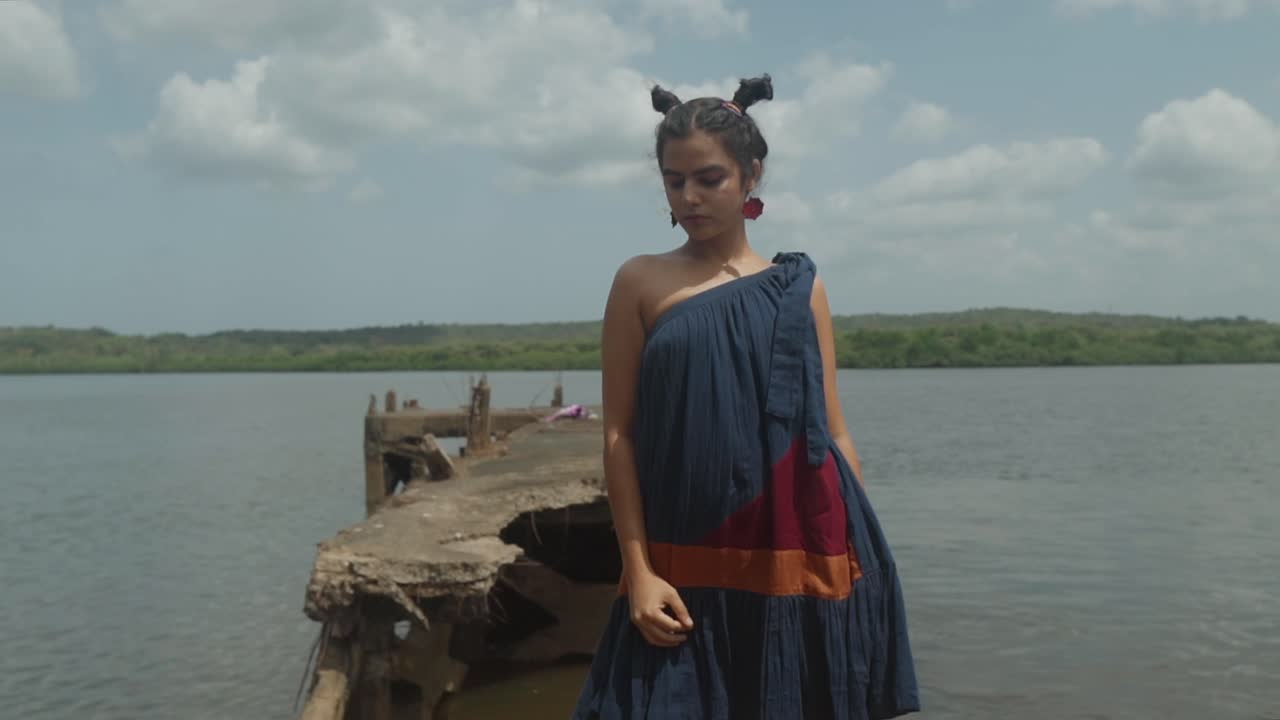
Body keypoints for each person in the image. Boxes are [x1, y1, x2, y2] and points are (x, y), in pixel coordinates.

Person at [572, 74, 919, 720]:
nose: (690, 197)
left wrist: (856, 559)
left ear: (751, 174)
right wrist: (638, 570)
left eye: (709, 179)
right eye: (675, 182)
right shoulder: (640, 281)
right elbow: (620, 433)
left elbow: (834, 432)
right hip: (684, 555)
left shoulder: (798, 289)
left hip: (797, 552)